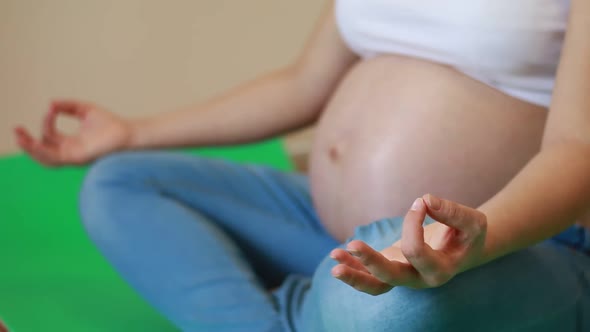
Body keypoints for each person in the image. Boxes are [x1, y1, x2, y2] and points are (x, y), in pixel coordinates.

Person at [14, 0, 590, 331]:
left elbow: (577, 150)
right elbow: (304, 84)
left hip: (513, 246)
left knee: (378, 311)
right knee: (124, 181)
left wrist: (478, 244)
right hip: (333, 234)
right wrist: (132, 132)